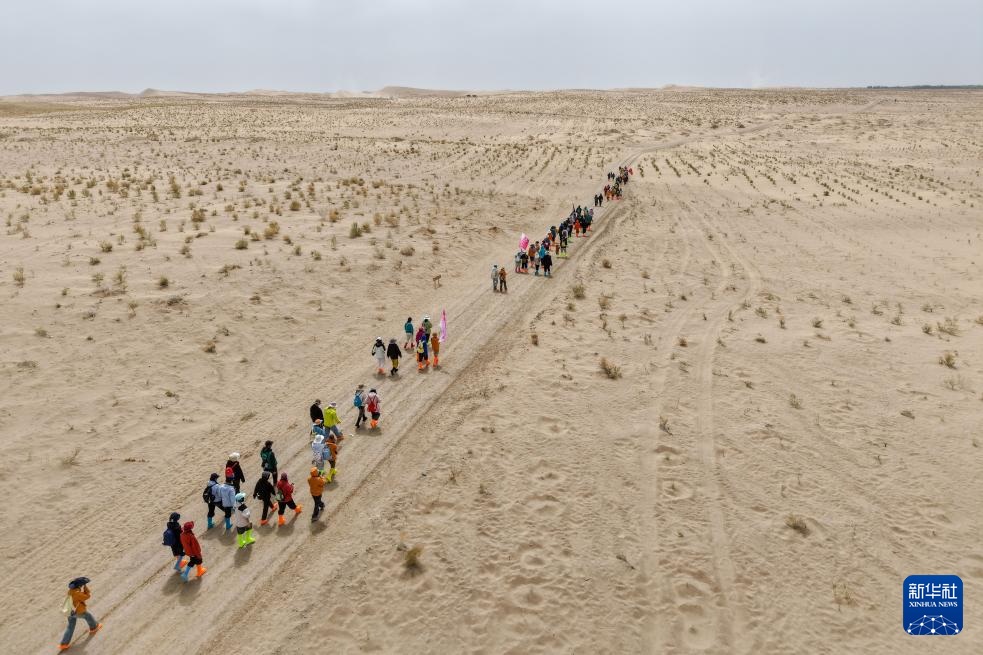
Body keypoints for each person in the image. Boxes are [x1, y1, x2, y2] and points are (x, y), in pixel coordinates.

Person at [59, 577, 101, 650]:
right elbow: (87, 596)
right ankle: (94, 627)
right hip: (77, 612)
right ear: (79, 585)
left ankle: (64, 644)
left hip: (70, 612)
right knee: (88, 616)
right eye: (81, 585)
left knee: (70, 627)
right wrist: (85, 588)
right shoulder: (77, 593)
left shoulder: (71, 591)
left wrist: (82, 588)